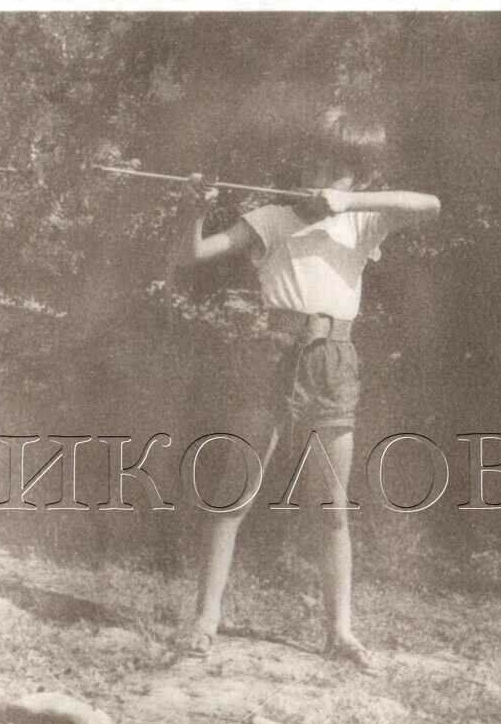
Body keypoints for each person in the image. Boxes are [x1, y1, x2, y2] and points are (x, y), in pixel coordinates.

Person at [173, 106, 440, 669]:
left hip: (333, 362)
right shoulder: (270, 218)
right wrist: (194, 209)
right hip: (272, 356)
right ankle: (204, 621)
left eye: (337, 168)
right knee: (235, 494)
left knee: (332, 506)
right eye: (316, 162)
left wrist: (350, 201)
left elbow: (430, 204)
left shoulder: (363, 222)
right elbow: (194, 254)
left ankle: (340, 632)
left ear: (358, 175)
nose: (321, 175)